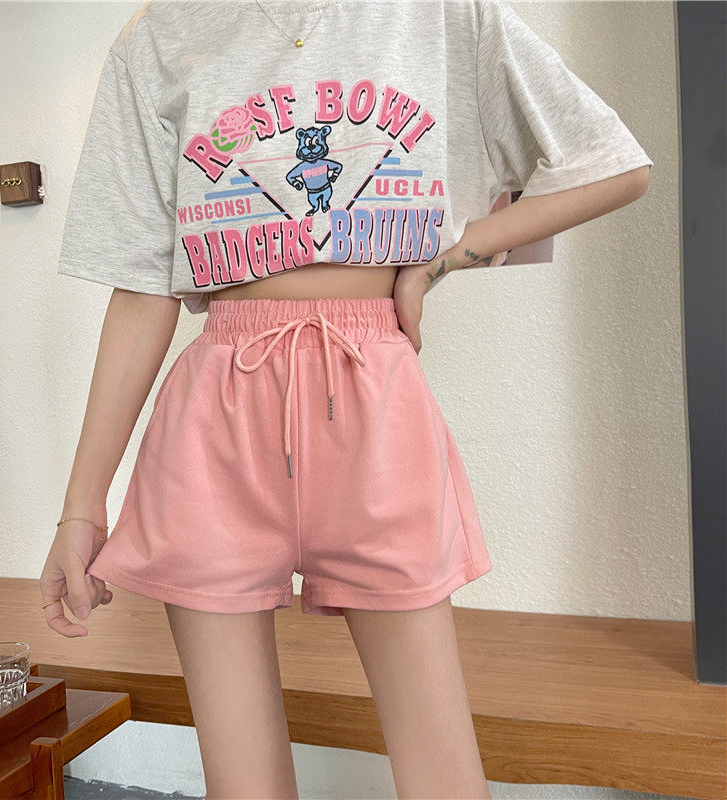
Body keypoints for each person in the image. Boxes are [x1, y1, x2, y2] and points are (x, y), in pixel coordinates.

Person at [41, 1, 653, 797]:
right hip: (213, 423)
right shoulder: (158, 36)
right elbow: (140, 288)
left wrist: (447, 257)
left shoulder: (441, 14)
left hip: (373, 405)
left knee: (443, 778)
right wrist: (81, 509)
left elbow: (613, 162)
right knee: (242, 784)